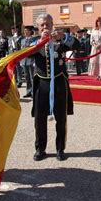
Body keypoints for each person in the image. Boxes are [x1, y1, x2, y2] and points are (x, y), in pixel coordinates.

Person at [29, 13, 80, 162]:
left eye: (48, 24)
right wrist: (40, 41)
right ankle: (40, 149)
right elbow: (27, 54)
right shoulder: (32, 42)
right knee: (39, 119)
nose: (45, 27)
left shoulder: (60, 40)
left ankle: (60, 149)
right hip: (41, 84)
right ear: (38, 28)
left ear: (53, 25)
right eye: (42, 25)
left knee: (61, 117)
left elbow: (78, 46)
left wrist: (63, 37)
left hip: (59, 83)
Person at [20, 26, 35, 98]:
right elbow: (21, 50)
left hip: (31, 60)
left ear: (30, 31)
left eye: (26, 31)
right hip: (24, 61)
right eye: (24, 30)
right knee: (27, 77)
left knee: (32, 77)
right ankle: (28, 91)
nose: (25, 32)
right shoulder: (22, 40)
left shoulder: (33, 40)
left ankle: (33, 92)